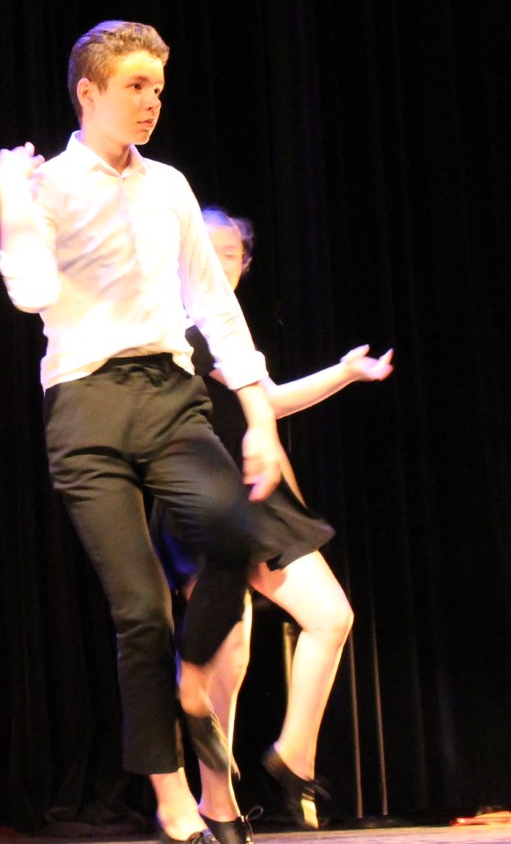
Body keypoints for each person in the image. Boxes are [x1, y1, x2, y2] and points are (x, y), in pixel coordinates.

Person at [0, 20, 284, 844]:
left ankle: (194, 675)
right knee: (141, 610)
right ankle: (172, 798)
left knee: (238, 529)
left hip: (169, 392)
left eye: (157, 87)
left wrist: (260, 414)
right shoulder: (46, 185)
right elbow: (29, 292)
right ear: (88, 92)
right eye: (134, 87)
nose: (151, 101)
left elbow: (212, 301)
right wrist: (11, 197)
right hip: (85, 401)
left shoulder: (170, 186)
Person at [158, 208, 393, 841]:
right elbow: (260, 398)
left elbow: (270, 399)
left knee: (328, 618)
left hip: (254, 491)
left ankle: (290, 759)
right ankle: (216, 803)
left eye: (231, 253)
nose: (219, 261)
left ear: (244, 265)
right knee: (226, 653)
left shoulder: (227, 328)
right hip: (202, 492)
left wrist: (345, 372)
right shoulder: (174, 327)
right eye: (207, 249)